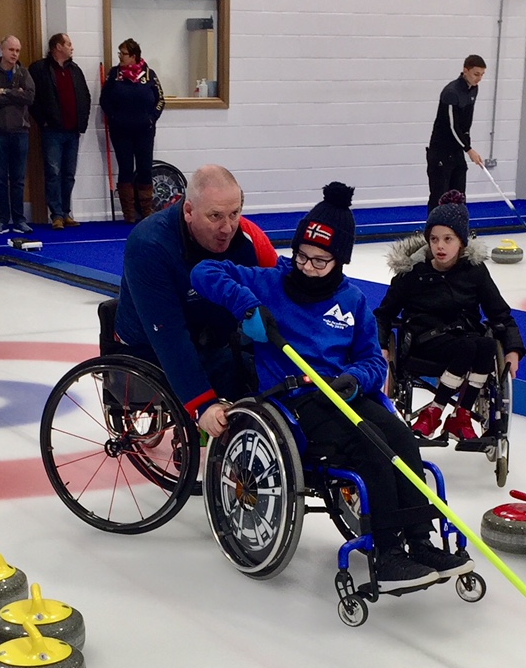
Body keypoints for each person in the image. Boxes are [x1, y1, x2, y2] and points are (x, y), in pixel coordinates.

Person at [191, 183, 473, 584]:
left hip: (343, 393)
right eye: (302, 256)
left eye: (320, 261)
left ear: (339, 260)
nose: (307, 267)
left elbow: (373, 360)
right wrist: (246, 306)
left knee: (402, 440)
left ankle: (420, 540)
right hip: (295, 401)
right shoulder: (270, 283)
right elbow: (204, 271)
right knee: (372, 449)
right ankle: (388, 553)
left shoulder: (352, 300)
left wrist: (354, 379)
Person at [113, 165, 270, 439]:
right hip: (149, 344)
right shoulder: (149, 245)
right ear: (188, 211)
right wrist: (203, 403)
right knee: (224, 372)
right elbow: (168, 335)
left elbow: (268, 295)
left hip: (210, 332)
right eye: (215, 216)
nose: (227, 227)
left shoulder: (243, 238)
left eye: (235, 214)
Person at [375, 190, 526, 442]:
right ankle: (436, 411)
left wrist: (513, 348)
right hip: (424, 343)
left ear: (461, 242)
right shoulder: (412, 273)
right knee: (470, 347)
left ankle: (460, 415)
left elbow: (500, 314)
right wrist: (381, 345)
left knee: (487, 345)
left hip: (466, 340)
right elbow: (383, 315)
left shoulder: (475, 272)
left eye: (448, 239)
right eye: (434, 239)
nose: (440, 246)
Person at [29, 33, 91, 230]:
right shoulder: (40, 69)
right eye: (68, 44)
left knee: (69, 174)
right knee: (53, 173)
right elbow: (32, 99)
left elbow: (85, 96)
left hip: (73, 130)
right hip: (53, 131)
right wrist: (43, 122)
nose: (72, 47)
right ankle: (56, 214)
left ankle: (66, 212)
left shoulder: (75, 70)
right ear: (58, 47)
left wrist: (82, 122)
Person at [100, 38, 164, 223]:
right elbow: (104, 100)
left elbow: (160, 100)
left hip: (144, 130)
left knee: (145, 169)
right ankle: (129, 214)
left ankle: (146, 212)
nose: (120, 56)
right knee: (126, 169)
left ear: (134, 56)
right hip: (121, 131)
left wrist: (152, 118)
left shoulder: (149, 74)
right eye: (119, 53)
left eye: (124, 54)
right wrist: (114, 117)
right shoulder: (114, 74)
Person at [0, 35, 35, 234]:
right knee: (0, 179)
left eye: (17, 51)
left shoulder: (23, 72)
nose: (14, 54)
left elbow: (29, 97)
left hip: (20, 132)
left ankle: (19, 219)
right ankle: (2, 220)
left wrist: (5, 91)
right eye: (11, 50)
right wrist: (15, 93)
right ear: (2, 50)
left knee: (18, 179)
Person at [426, 55, 486, 213]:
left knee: (459, 196)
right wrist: (469, 149)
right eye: (476, 74)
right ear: (465, 71)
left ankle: (456, 227)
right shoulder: (451, 92)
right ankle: (434, 227)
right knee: (440, 196)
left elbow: (466, 123)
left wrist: (467, 145)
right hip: (441, 151)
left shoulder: (473, 89)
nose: (479, 78)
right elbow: (452, 126)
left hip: (457, 151)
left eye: (482, 74)